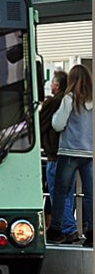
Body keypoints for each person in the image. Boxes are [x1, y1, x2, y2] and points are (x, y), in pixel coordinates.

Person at [50, 65, 93, 246]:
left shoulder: (69, 99)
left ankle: (56, 230)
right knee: (90, 194)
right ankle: (91, 233)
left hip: (69, 152)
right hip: (89, 153)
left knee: (61, 192)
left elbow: (58, 124)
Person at [39, 70, 73, 231]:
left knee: (57, 193)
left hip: (54, 154)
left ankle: (66, 228)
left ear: (57, 86)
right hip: (71, 153)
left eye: (52, 82)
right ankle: (68, 226)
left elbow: (40, 126)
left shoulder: (53, 103)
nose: (50, 85)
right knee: (69, 194)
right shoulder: (72, 101)